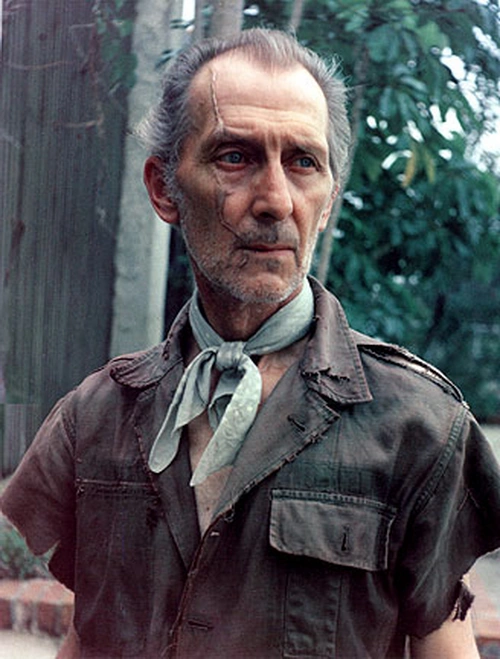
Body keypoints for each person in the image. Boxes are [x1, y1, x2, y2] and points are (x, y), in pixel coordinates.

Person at [2, 28, 500, 659]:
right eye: (235, 156)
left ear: (327, 202)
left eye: (303, 162)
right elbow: (89, 629)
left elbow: (444, 640)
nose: (275, 201)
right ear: (164, 189)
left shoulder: (420, 426)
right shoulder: (95, 416)